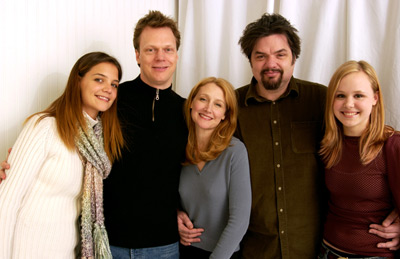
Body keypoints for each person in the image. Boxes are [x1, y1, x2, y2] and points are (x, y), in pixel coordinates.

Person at [177, 13, 400, 259]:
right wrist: (176, 211)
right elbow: (199, 164)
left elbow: (364, 145)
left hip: (314, 248)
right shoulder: (230, 108)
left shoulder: (322, 100)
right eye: (260, 56)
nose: (270, 63)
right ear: (250, 61)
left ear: (294, 59)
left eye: (280, 55)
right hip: (254, 249)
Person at [0, 51, 124, 258]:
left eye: (114, 84)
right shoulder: (44, 127)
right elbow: (6, 201)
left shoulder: (98, 145)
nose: (108, 89)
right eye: (99, 79)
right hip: (26, 250)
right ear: (78, 81)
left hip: (66, 252)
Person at [102, 10, 188, 258]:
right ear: (138, 56)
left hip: (164, 246)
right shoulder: (111, 99)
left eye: (168, 49)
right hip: (109, 243)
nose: (160, 57)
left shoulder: (188, 111)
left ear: (176, 55)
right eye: (151, 50)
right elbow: (70, 134)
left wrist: (182, 210)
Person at [318, 60, 400, 258]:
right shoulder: (328, 145)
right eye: (340, 96)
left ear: (375, 98)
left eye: (358, 95)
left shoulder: (392, 145)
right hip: (327, 252)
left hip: (373, 254)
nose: (348, 104)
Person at [178, 77, 251, 259]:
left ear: (225, 114)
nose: (208, 108)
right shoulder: (179, 147)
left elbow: (240, 221)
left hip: (223, 254)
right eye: (203, 99)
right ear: (191, 103)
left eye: (218, 104)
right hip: (181, 250)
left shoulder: (235, 152)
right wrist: (177, 215)